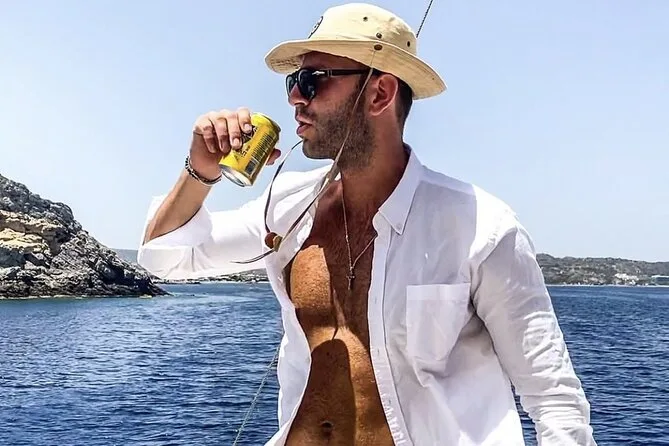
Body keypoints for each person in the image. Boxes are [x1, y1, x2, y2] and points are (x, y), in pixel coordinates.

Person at [138, 3, 596, 445]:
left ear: (380, 94)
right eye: (294, 82)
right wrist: (200, 171)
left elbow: (553, 398)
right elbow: (165, 258)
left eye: (312, 81)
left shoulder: (480, 226)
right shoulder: (287, 208)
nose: (295, 97)